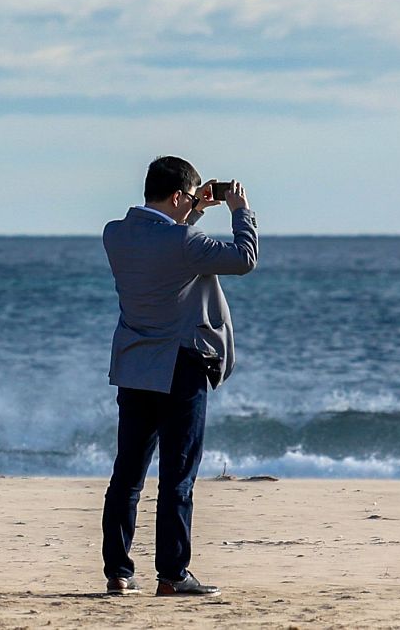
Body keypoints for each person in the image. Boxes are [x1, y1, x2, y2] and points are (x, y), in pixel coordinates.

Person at [100, 156, 257, 597]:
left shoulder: (115, 234)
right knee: (178, 475)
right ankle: (171, 574)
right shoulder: (187, 241)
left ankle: (119, 572)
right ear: (176, 196)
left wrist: (192, 209)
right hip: (181, 366)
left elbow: (165, 239)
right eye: (188, 198)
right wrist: (239, 210)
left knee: (127, 475)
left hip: (134, 366)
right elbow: (244, 259)